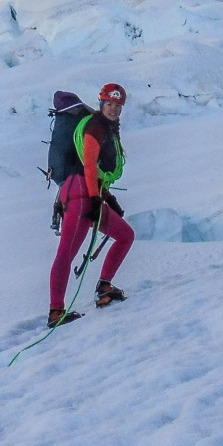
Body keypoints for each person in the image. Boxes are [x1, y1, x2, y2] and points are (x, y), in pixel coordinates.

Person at [48, 82, 135, 327]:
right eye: (109, 104)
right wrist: (97, 200)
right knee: (66, 252)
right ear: (101, 104)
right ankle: (56, 311)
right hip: (79, 193)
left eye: (118, 105)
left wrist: (107, 199)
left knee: (125, 235)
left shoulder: (107, 128)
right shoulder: (96, 127)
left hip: (89, 192)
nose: (113, 109)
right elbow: (88, 165)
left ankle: (104, 288)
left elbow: (96, 172)